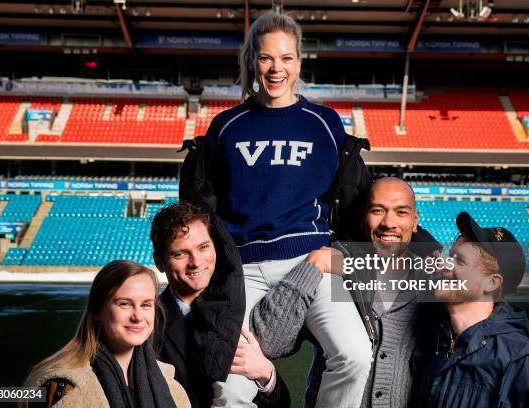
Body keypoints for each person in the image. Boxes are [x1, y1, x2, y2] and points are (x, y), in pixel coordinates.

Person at [179, 10, 373, 408]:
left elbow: (349, 196)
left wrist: (343, 252)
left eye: (286, 58)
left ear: (299, 62)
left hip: (311, 261)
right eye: (266, 58)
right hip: (244, 269)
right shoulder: (226, 126)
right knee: (230, 387)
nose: (276, 68)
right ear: (253, 61)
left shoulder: (324, 122)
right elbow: (204, 204)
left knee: (355, 356)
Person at [251, 177, 442, 408]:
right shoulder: (335, 275)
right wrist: (312, 266)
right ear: (363, 215)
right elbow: (271, 342)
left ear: (415, 220)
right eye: (377, 210)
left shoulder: (434, 283)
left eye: (401, 212)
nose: (389, 222)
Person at [410, 211, 529, 407]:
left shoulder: (523, 363)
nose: (445, 265)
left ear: (492, 283)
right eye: (450, 256)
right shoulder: (435, 339)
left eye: (460, 261)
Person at [150, 201, 290, 407]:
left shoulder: (243, 306)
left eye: (203, 247)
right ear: (160, 262)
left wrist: (266, 375)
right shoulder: (145, 324)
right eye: (180, 253)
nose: (196, 262)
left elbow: (282, 404)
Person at [22, 260, 191, 408]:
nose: (138, 316)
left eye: (146, 305)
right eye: (124, 303)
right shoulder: (61, 387)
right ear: (97, 311)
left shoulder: (172, 386)